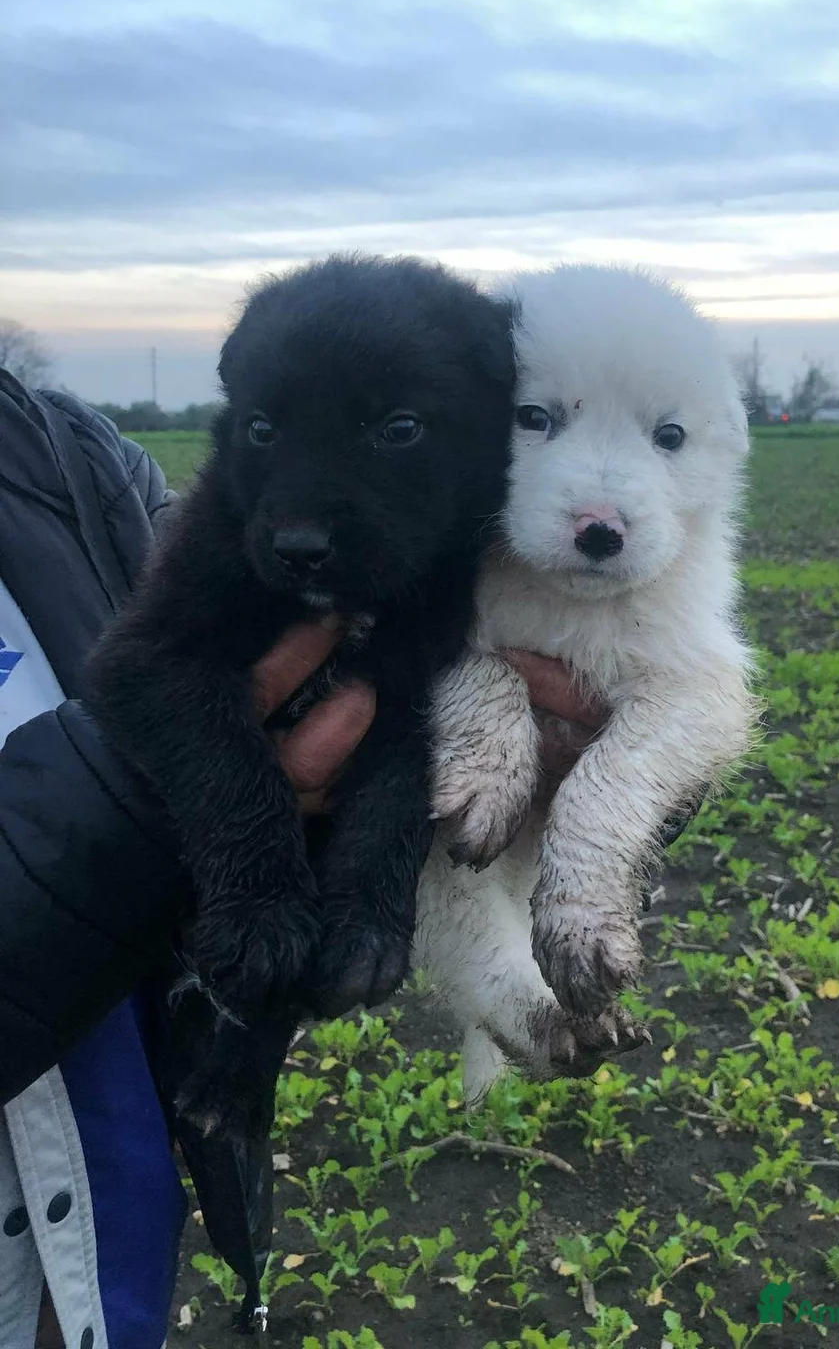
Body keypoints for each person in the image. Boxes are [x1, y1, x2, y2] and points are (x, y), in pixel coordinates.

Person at [0, 366, 617, 1348]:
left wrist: (591, 774)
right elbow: (178, 699)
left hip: (96, 1244)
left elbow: (283, 671)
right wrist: (161, 796)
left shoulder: (57, 454)